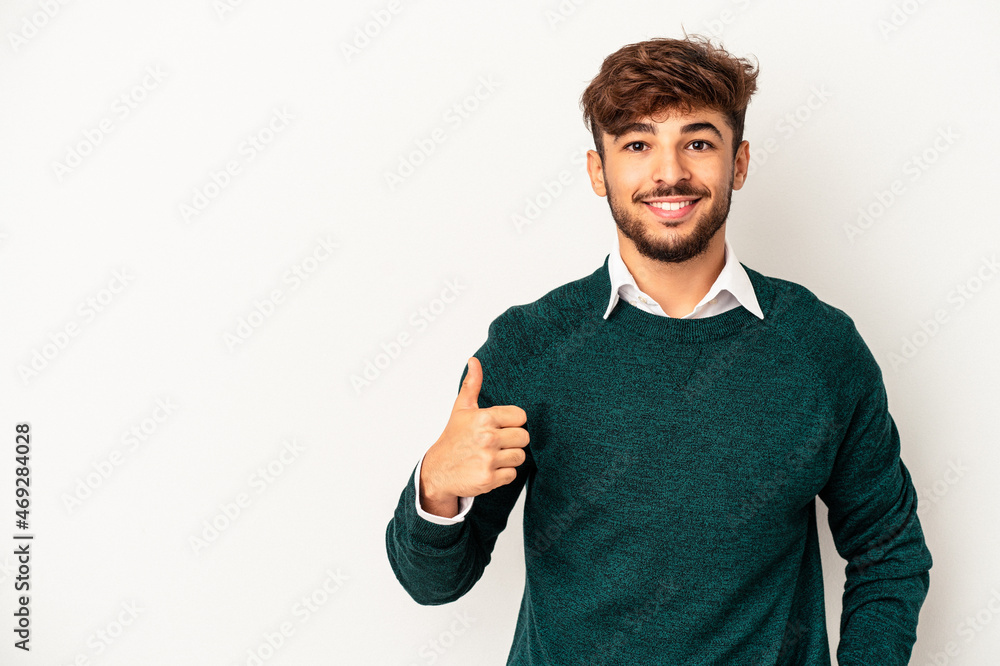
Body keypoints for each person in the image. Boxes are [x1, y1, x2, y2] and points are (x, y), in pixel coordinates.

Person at [385, 34, 932, 665]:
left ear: (740, 163)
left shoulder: (820, 347)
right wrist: (436, 488)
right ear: (599, 171)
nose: (670, 173)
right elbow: (433, 582)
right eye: (638, 145)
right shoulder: (529, 346)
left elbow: (887, 551)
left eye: (698, 143)